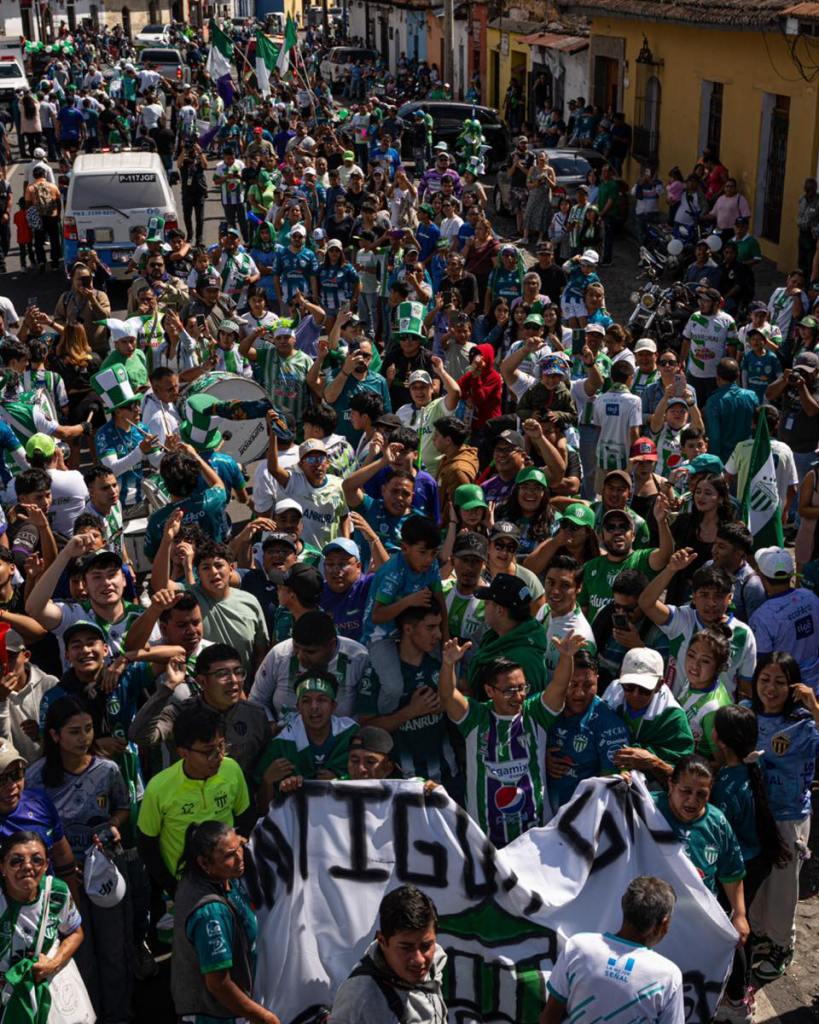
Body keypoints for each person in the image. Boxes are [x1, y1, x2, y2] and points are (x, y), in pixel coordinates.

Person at [26, 697, 133, 1022]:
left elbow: (122, 807)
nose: (84, 737)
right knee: (78, 951)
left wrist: (113, 826)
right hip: (61, 879)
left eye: (88, 729)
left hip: (103, 872)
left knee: (114, 950)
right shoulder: (36, 778)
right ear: (55, 735)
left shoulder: (108, 769)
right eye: (74, 731)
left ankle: (119, 1016)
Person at [439, 632, 576, 847]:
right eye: (510, 690)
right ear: (489, 690)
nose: (519, 696)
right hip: (485, 838)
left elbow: (559, 686)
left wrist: (567, 658)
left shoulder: (535, 713)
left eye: (522, 688)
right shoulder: (475, 717)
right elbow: (448, 696)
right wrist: (448, 664)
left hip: (535, 835)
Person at [711, 705, 791, 1019]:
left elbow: (719, 839)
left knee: (734, 934)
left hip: (737, 870)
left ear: (719, 739)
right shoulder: (747, 773)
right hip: (754, 862)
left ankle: (735, 1000)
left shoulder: (725, 788)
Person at [749, 653, 819, 982]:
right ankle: (761, 936)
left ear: (793, 686)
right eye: (765, 680)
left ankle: (782, 945)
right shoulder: (748, 715)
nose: (771, 688)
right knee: (758, 884)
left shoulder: (805, 722)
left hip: (788, 818)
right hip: (754, 816)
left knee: (783, 887)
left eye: (780, 681)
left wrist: (815, 707)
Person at [172, 821, 281, 1024]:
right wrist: (263, 1017)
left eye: (239, 846)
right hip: (217, 1016)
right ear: (205, 863)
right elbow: (218, 984)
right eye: (230, 855)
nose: (240, 856)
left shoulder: (209, 878)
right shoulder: (211, 913)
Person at [137, 704, 251, 896]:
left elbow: (245, 817)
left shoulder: (232, 770)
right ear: (183, 752)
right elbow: (148, 847)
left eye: (221, 746)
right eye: (208, 751)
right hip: (185, 890)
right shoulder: (158, 788)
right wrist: (175, 889)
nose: (219, 757)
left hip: (231, 885)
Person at [540, 876, 684, 1024]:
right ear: (664, 924)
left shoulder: (578, 947)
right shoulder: (668, 976)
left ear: (623, 903)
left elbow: (549, 1017)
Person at [358, 605, 459, 793]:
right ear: (408, 629)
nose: (437, 634)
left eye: (439, 626)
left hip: (447, 778)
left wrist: (445, 703)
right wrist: (411, 712)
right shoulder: (379, 672)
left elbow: (459, 709)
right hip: (399, 783)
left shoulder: (440, 663)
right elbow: (365, 729)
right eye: (430, 628)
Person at [129, 643, 269, 778]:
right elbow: (140, 735)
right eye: (222, 674)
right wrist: (168, 686)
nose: (234, 680)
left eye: (238, 672)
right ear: (202, 681)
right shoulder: (181, 714)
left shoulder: (255, 716)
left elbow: (262, 769)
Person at [653, 755, 749, 950]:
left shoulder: (717, 823)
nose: (692, 800)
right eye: (686, 791)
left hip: (700, 920)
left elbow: (731, 874)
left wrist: (740, 915)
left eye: (701, 794)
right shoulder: (647, 808)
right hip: (654, 919)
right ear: (671, 785)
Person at [639, 552, 756, 700]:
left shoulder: (743, 634)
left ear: (730, 598)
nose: (711, 603)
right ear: (693, 596)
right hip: (679, 712)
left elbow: (746, 686)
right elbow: (646, 603)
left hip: (717, 716)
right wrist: (671, 569)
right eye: (704, 595)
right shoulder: (682, 619)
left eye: (719, 596)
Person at [329, 884, 446, 1024]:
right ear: (383, 941)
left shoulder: (436, 959)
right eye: (406, 948)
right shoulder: (361, 998)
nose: (419, 959)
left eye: (426, 946)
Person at [0, 830, 84, 1021]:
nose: (28, 867)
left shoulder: (57, 892)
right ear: (2, 867)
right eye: (16, 861)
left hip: (46, 989)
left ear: (46, 865)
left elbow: (75, 932)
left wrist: (53, 964)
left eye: (37, 860)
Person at [545, 646, 628, 814]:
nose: (579, 693)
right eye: (573, 684)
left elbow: (610, 785)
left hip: (580, 817)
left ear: (598, 680)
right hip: (538, 811)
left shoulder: (610, 725)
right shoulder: (544, 707)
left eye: (588, 685)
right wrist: (540, 759)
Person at [749, 546, 819, 691]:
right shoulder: (811, 597)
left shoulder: (761, 617)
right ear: (792, 574)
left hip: (786, 691)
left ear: (761, 576)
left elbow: (763, 663)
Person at [703, 358, 759, 463]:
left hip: (725, 459)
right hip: (749, 455)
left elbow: (714, 436)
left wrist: (713, 462)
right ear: (738, 375)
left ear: (717, 377)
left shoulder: (713, 401)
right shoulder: (752, 396)